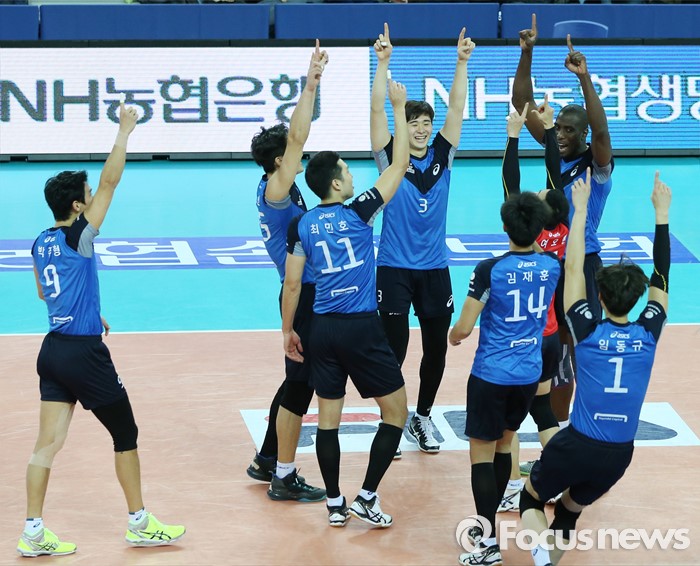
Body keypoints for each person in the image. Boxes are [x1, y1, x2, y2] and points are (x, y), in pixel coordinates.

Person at [19, 102, 185, 558]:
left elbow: (45, 293)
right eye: (87, 196)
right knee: (125, 434)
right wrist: (124, 131)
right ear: (77, 206)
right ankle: (139, 523)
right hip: (83, 354)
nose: (94, 197)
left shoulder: (40, 241)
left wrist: (88, 310)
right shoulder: (79, 236)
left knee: (45, 446)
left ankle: (32, 530)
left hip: (53, 349)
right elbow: (111, 181)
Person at [519, 169, 671, 566]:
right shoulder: (649, 332)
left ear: (598, 297)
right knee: (568, 510)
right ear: (637, 300)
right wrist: (662, 215)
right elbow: (662, 275)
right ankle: (548, 559)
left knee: (530, 499)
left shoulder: (586, 330)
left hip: (577, 443)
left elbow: (572, 269)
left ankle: (540, 554)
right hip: (619, 455)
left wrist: (581, 210)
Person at [281, 79, 409, 528]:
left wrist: (288, 331)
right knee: (396, 412)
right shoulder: (360, 210)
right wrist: (397, 108)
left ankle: (335, 503)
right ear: (337, 183)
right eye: (348, 171)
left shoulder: (302, 225)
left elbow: (292, 286)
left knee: (328, 421)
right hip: (361, 327)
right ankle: (367, 495)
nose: (354, 176)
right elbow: (399, 165)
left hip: (321, 329)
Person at [370, 22, 475, 454]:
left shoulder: (442, 156)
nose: (421, 129)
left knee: (436, 352)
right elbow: (377, 114)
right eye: (414, 123)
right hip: (394, 268)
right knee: (393, 351)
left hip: (434, 270)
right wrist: (383, 63)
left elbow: (458, 108)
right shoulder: (389, 158)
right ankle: (392, 419)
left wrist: (461, 62)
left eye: (426, 123)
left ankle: (422, 417)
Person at [512, 13, 615, 432]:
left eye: (570, 131)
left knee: (575, 348)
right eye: (559, 129)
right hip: (548, 261)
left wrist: (584, 77)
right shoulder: (555, 149)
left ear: (584, 136)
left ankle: (575, 425)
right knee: (552, 348)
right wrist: (527, 53)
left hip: (583, 263)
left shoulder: (597, 166)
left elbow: (603, 134)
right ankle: (552, 431)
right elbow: (522, 105)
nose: (560, 135)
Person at [449, 191, 561, 566]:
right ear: (539, 229)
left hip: (491, 374)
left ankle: (487, 542)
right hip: (528, 374)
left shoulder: (489, 269)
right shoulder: (551, 266)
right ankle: (488, 531)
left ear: (504, 227)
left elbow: (464, 327)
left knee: (481, 456)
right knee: (503, 447)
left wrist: (453, 335)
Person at [247, 41, 328, 502]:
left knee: (297, 381)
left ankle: (266, 458)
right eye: (292, 153)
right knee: (301, 386)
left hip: (306, 292)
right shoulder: (276, 192)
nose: (300, 152)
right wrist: (311, 81)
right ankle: (283, 474)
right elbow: (297, 138)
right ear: (279, 161)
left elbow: (296, 139)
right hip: (301, 294)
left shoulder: (282, 186)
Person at [497, 98, 570, 514]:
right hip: (551, 336)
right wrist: (548, 131)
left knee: (510, 420)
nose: (539, 192)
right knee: (543, 410)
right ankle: (557, 480)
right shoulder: (562, 231)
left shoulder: (527, 235)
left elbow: (512, 185)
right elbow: (553, 175)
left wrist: (513, 137)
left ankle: (511, 487)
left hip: (520, 340)